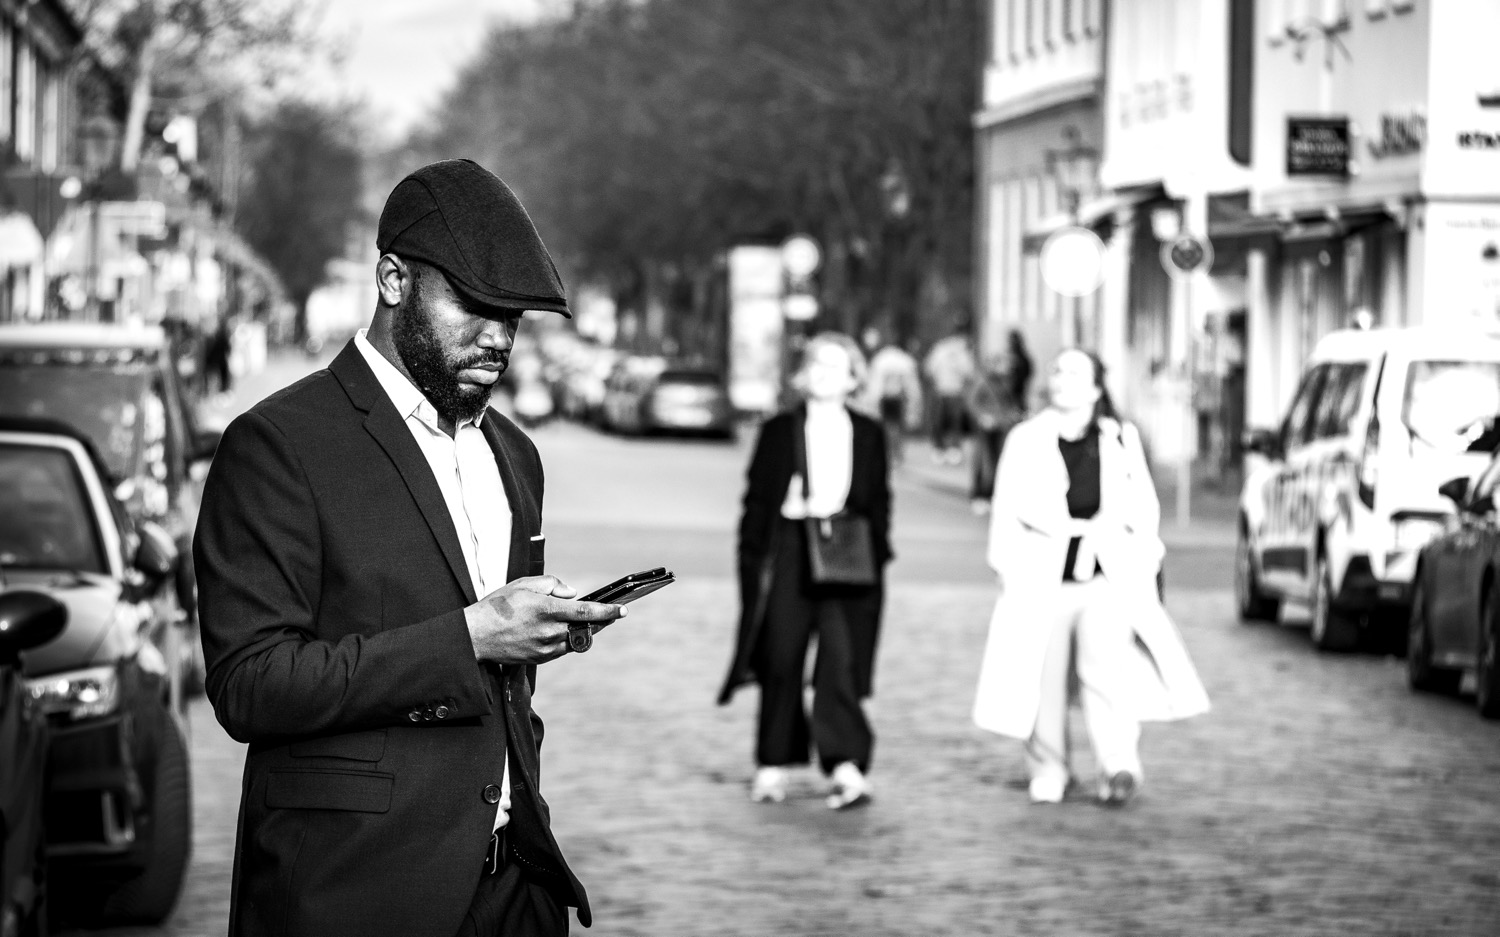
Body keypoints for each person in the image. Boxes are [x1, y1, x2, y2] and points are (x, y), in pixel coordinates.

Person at [194, 159, 627, 937]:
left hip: (515, 894)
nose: (499, 336)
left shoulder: (515, 454)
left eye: (515, 315)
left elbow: (506, 687)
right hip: (353, 892)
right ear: (394, 279)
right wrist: (469, 637)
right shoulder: (278, 444)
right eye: (476, 304)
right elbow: (249, 683)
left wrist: (532, 630)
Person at [971, 348, 1209, 806]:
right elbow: (1004, 512)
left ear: (1097, 388)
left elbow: (1144, 509)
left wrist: (1144, 560)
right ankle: (1049, 769)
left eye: (1075, 372)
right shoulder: (1025, 439)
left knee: (1107, 672)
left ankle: (1117, 765)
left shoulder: (1119, 438)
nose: (1062, 379)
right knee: (1044, 677)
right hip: (1043, 580)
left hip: (1105, 578)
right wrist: (1006, 570)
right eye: (1057, 370)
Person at [718, 332, 892, 811]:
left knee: (842, 660)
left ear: (854, 377)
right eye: (816, 363)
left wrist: (875, 557)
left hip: (848, 553)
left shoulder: (870, 432)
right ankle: (773, 764)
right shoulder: (779, 430)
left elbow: (879, 503)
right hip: (790, 549)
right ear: (803, 373)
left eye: (836, 366)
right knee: (781, 656)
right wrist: (755, 559)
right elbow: (755, 502)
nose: (824, 373)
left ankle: (846, 765)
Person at [961, 352, 1022, 515]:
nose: (1006, 368)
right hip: (986, 428)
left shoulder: (1005, 382)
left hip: (1002, 427)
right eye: (1002, 364)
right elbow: (972, 403)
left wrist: (1013, 415)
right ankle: (979, 494)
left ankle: (992, 494)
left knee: (998, 461)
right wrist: (982, 417)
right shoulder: (983, 382)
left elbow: (1009, 403)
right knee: (983, 461)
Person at [859, 328, 923, 465]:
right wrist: (915, 402)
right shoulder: (905, 360)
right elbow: (912, 385)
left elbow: (875, 386)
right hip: (898, 397)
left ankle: (890, 452)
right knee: (898, 426)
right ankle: (897, 452)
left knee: (887, 426)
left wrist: (871, 403)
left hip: (885, 398)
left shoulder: (881, 359)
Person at [922, 326, 976, 464]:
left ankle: (947, 449)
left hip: (948, 390)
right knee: (949, 422)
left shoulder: (943, 349)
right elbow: (969, 373)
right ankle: (946, 449)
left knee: (947, 422)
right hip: (949, 390)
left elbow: (929, 369)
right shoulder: (950, 350)